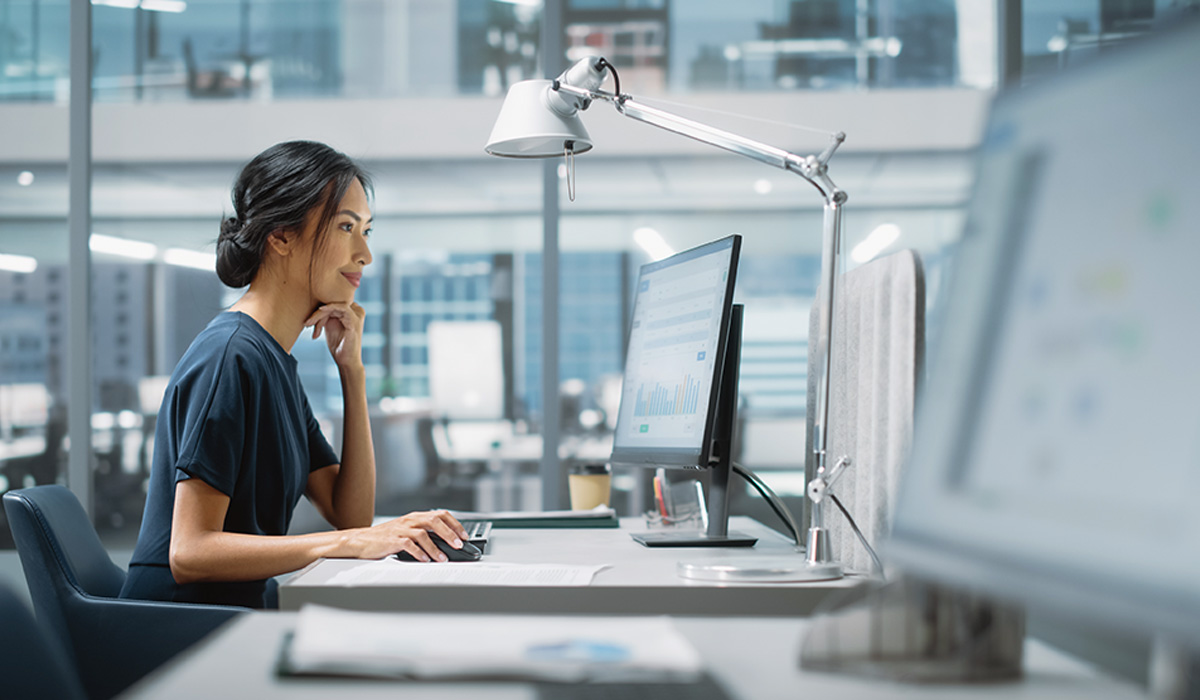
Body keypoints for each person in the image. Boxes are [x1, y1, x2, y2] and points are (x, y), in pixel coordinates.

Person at [120, 141, 468, 609]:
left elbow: (351, 514)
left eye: (366, 231)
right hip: (179, 629)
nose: (364, 254)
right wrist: (343, 545)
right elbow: (190, 551)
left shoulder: (273, 361)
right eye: (346, 227)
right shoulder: (230, 357)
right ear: (281, 236)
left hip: (239, 613)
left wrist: (352, 371)